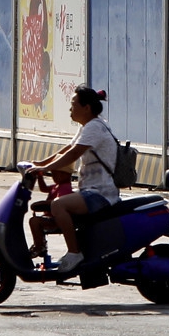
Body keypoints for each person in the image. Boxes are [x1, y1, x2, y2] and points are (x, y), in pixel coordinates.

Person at [27, 86, 120, 275]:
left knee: (58, 205)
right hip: (90, 190)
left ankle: (74, 252)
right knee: (56, 205)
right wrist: (40, 163)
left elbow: (74, 154)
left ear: (86, 108)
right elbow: (68, 148)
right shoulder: (88, 126)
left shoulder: (95, 127)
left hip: (101, 193)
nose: (70, 109)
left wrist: (45, 168)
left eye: (73, 105)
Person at [28, 168, 75, 260]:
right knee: (36, 221)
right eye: (53, 174)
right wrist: (40, 176)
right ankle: (40, 243)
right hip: (51, 217)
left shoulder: (65, 187)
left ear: (66, 175)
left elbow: (59, 202)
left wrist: (42, 204)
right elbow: (43, 188)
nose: (54, 177)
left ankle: (39, 246)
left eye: (56, 174)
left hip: (57, 219)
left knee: (35, 221)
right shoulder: (56, 186)